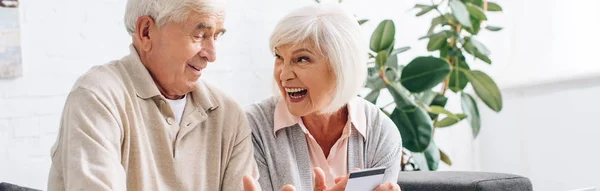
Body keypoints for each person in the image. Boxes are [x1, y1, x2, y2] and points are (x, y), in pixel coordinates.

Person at [47, 0, 258, 190]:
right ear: (146, 32)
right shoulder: (97, 98)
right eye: (200, 35)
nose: (211, 55)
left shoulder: (228, 114)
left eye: (217, 36)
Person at [243, 3, 402, 191]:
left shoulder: (380, 133)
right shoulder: (252, 128)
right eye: (279, 57)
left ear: (340, 67)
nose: (283, 75)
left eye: (301, 59)